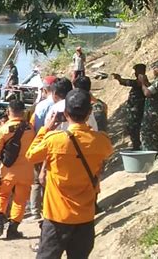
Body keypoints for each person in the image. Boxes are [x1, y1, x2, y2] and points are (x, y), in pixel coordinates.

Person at [26, 89, 113, 259]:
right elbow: (107, 152)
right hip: (85, 217)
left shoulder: (54, 140)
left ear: (65, 114)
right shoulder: (101, 141)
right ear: (89, 113)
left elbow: (31, 155)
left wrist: (45, 129)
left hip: (57, 217)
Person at [0, 99, 35, 239]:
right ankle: (13, 230)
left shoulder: (3, 129)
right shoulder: (31, 129)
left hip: (7, 171)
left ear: (8, 112)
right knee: (20, 200)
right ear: (23, 112)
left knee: (1, 195)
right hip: (26, 171)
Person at [27, 75, 57, 220]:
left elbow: (35, 127)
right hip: (58, 145)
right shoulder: (63, 104)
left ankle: (34, 211)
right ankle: (49, 207)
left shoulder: (41, 106)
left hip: (42, 144)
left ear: (45, 90)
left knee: (37, 181)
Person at [112, 64, 147, 150]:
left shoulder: (142, 81)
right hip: (134, 110)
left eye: (136, 71)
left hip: (137, 110)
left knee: (134, 128)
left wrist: (120, 79)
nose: (135, 73)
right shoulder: (141, 81)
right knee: (132, 128)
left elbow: (128, 82)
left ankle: (137, 146)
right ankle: (137, 145)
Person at [139, 61, 158, 152]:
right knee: (152, 133)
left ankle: (150, 153)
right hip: (153, 110)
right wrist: (146, 82)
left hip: (154, 111)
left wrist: (142, 83)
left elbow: (147, 93)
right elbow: (153, 90)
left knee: (148, 132)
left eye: (154, 68)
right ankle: (153, 152)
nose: (153, 70)